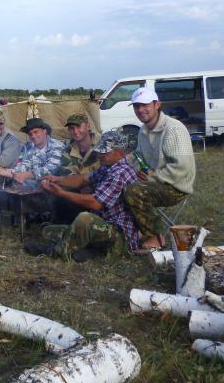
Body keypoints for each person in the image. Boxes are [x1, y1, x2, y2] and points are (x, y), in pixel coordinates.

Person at [34, 130, 140, 261]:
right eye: (100, 151)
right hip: (103, 225)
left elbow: (95, 203)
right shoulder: (108, 167)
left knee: (85, 219)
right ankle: (88, 251)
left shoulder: (120, 172)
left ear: (120, 153)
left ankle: (57, 252)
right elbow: (83, 179)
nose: (100, 155)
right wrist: (57, 179)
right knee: (49, 232)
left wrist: (62, 193)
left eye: (105, 152)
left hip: (119, 235)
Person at [123, 87, 196, 252]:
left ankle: (156, 237)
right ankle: (139, 231)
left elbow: (181, 168)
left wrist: (152, 177)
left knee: (133, 191)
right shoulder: (143, 130)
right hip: (155, 182)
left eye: (145, 105)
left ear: (157, 104)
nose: (140, 110)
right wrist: (135, 170)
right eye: (136, 106)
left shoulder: (173, 129)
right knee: (121, 183)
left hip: (176, 186)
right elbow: (138, 157)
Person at [0, 117, 65, 222]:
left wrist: (27, 175)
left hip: (52, 185)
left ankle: (49, 215)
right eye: (30, 134)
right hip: (32, 186)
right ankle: (25, 213)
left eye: (36, 132)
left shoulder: (57, 146)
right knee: (11, 184)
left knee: (44, 182)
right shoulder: (28, 148)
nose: (33, 136)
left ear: (45, 131)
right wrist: (0, 171)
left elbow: (51, 168)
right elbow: (21, 167)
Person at [54, 113, 100, 223]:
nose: (75, 131)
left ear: (88, 126)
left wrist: (87, 183)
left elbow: (108, 169)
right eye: (71, 128)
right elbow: (66, 172)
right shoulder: (68, 149)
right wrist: (79, 184)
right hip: (78, 189)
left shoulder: (101, 143)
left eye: (78, 126)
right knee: (60, 194)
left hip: (100, 188)